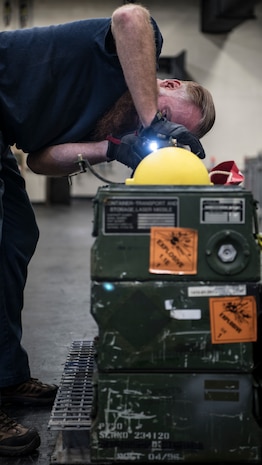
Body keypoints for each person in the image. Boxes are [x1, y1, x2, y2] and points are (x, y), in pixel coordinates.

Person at [0, 2, 215, 456]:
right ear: (168, 84)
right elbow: (129, 15)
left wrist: (110, 148)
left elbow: (40, 160)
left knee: (15, 238)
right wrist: (154, 120)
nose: (166, 136)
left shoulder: (114, 126)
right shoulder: (137, 47)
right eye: (173, 122)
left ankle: (6, 375)